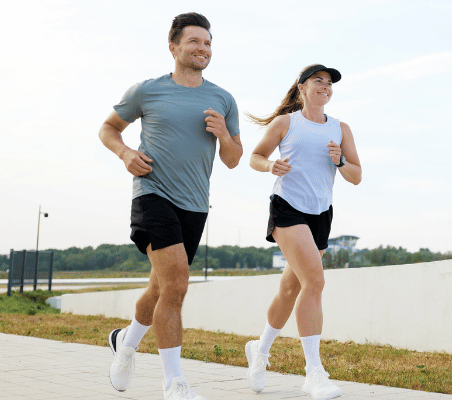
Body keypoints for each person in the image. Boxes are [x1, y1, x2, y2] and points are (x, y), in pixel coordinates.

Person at [97, 12, 242, 400]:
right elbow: (108, 129)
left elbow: (233, 159)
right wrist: (126, 153)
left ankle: (126, 342)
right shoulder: (147, 91)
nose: (202, 48)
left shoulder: (223, 99)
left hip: (195, 204)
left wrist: (224, 135)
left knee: (161, 287)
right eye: (194, 41)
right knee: (177, 285)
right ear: (173, 47)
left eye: (208, 43)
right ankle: (174, 383)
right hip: (152, 193)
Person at [244, 64, 361, 400]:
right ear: (302, 88)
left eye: (329, 83)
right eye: (318, 81)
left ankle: (259, 350)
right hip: (288, 207)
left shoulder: (341, 128)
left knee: (289, 288)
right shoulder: (287, 123)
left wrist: (340, 161)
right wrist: (270, 165)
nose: (325, 86)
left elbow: (356, 176)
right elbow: (255, 157)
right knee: (315, 281)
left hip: (321, 214)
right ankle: (314, 374)